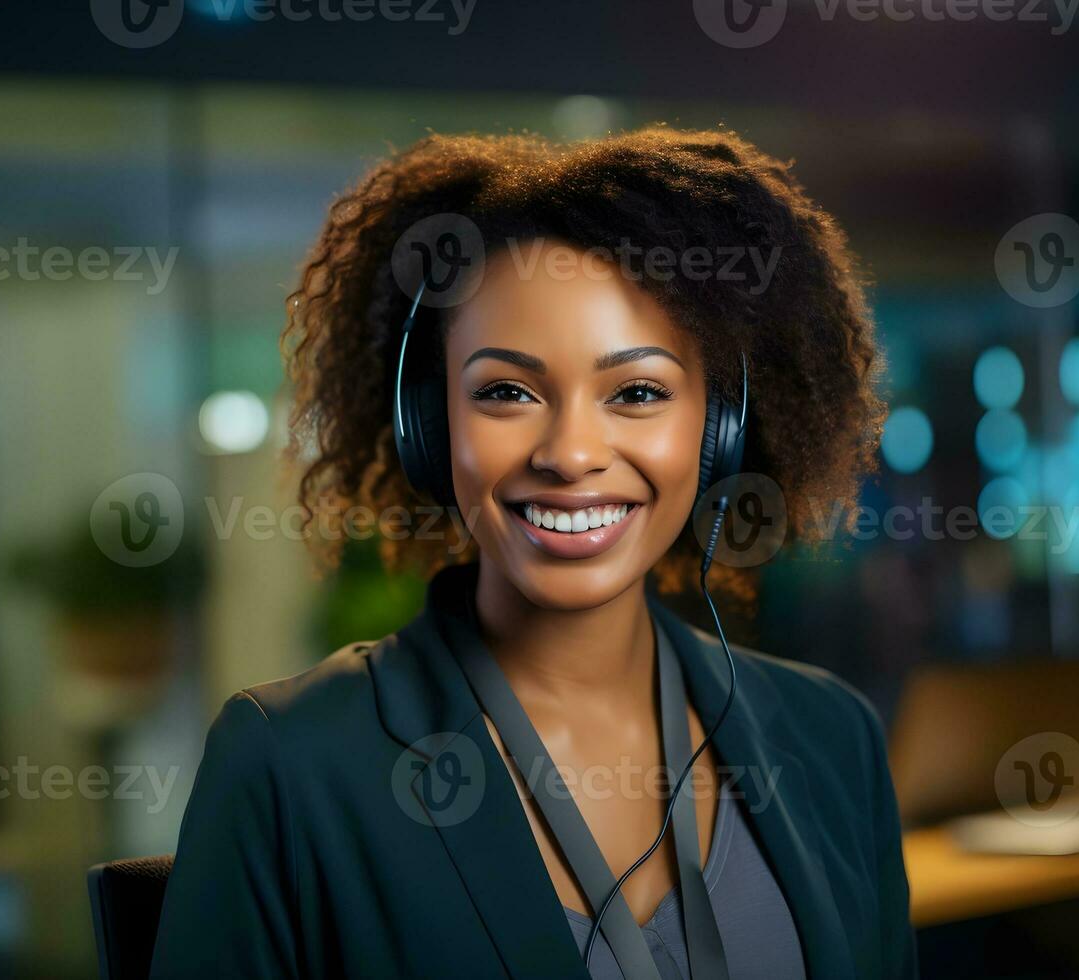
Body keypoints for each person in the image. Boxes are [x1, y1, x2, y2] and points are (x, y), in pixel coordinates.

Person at [149, 129, 913, 979]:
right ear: (430, 429)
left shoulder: (829, 737)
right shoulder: (293, 764)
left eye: (637, 392)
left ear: (721, 430)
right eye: (506, 392)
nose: (570, 452)